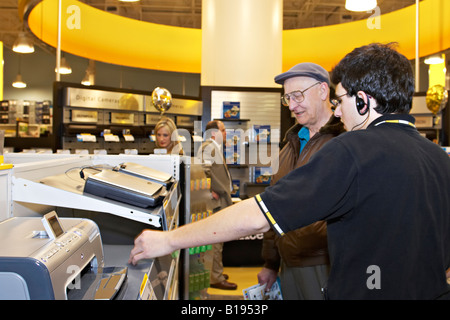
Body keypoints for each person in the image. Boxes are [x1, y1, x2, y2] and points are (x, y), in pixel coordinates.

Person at [129, 43, 450, 300]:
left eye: (340, 101)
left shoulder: (351, 150)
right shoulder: (440, 159)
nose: (338, 111)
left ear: (363, 102)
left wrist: (170, 239)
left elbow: (258, 215)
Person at [257, 63, 345, 299]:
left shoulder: (346, 141)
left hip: (326, 265)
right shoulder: (289, 146)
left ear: (323, 91)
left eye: (297, 96)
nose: (292, 106)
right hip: (288, 266)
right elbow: (271, 205)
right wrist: (270, 263)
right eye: (288, 98)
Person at [197, 120, 237, 290]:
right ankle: (215, 278)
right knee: (215, 242)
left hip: (218, 199)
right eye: (223, 130)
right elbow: (202, 170)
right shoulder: (209, 147)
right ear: (214, 133)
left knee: (217, 241)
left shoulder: (213, 147)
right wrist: (210, 189)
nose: (225, 133)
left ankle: (215, 272)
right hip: (214, 201)